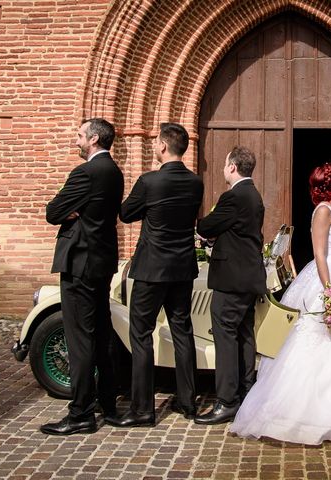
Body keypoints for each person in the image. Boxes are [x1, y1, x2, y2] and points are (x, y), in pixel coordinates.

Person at [229, 161, 331, 444]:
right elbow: (320, 253)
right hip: (329, 277)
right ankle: (305, 413)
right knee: (323, 341)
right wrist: (329, 289)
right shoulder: (322, 212)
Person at [114, 122, 204, 427]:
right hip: (181, 268)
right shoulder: (196, 183)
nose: (153, 146)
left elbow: (126, 213)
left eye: (155, 143)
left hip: (152, 269)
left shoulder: (149, 181)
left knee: (140, 334)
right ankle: (187, 401)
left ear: (163, 146)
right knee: (183, 331)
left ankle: (142, 409)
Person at [41, 118, 124, 435]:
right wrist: (73, 210)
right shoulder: (114, 172)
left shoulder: (85, 172)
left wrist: (69, 211)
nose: (75, 140)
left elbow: (53, 212)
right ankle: (109, 404)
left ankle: (80, 414)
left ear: (93, 139)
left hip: (80, 263)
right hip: (101, 262)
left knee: (79, 339)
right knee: (101, 332)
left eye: (79, 136)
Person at [194, 146, 266, 425]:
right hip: (248, 277)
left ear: (233, 167)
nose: (224, 169)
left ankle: (226, 401)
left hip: (232, 279)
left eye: (225, 165)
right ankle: (247, 392)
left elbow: (207, 226)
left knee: (224, 335)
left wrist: (205, 230)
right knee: (244, 334)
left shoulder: (233, 196)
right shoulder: (253, 195)